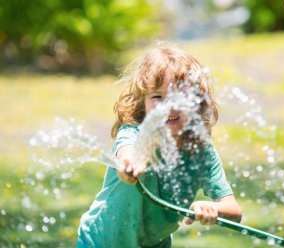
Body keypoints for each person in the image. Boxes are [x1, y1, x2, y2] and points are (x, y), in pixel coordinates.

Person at [77, 43, 242, 248]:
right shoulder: (133, 134)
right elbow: (127, 154)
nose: (168, 106)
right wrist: (129, 166)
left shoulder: (202, 154)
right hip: (101, 241)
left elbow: (234, 210)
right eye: (157, 97)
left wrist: (213, 208)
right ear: (143, 102)